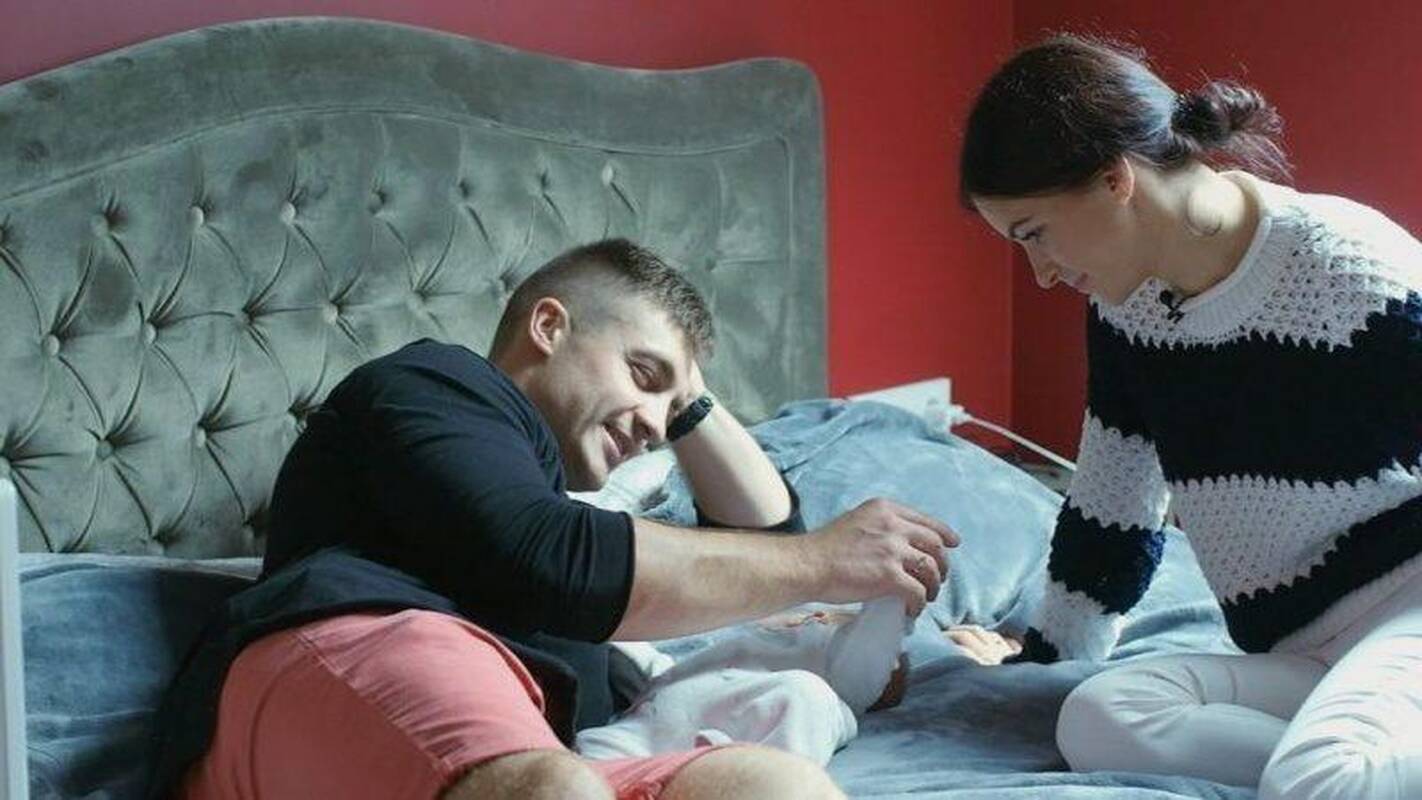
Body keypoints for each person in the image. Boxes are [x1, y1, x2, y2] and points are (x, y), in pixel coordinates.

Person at [148, 238, 959, 800]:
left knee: (774, 786)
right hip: (361, 651)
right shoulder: (433, 386)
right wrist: (825, 561)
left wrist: (687, 397)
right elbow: (552, 560)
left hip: (540, 752)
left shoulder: (564, 509)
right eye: (642, 374)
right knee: (552, 791)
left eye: (671, 409)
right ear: (548, 325)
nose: (655, 425)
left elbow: (762, 547)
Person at [958, 34, 1422, 800]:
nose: (1039, 274)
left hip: (1407, 612)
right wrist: (1043, 659)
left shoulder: (1345, 271)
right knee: (1097, 717)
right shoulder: (1128, 312)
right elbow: (1112, 506)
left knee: (1321, 777)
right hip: (1302, 650)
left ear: (1115, 178)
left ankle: (1337, 769)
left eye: (1033, 233)